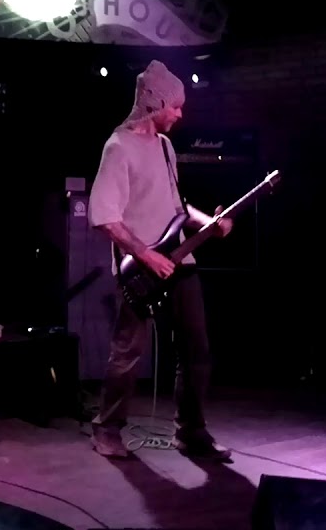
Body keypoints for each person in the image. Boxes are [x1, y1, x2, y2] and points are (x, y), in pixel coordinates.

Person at [87, 60, 233, 461]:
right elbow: (104, 217)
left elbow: (177, 207)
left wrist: (208, 222)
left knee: (196, 349)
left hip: (180, 261)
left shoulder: (166, 147)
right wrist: (145, 254)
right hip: (141, 270)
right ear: (155, 103)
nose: (181, 114)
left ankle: (191, 432)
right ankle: (107, 429)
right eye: (176, 106)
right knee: (127, 353)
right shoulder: (118, 147)